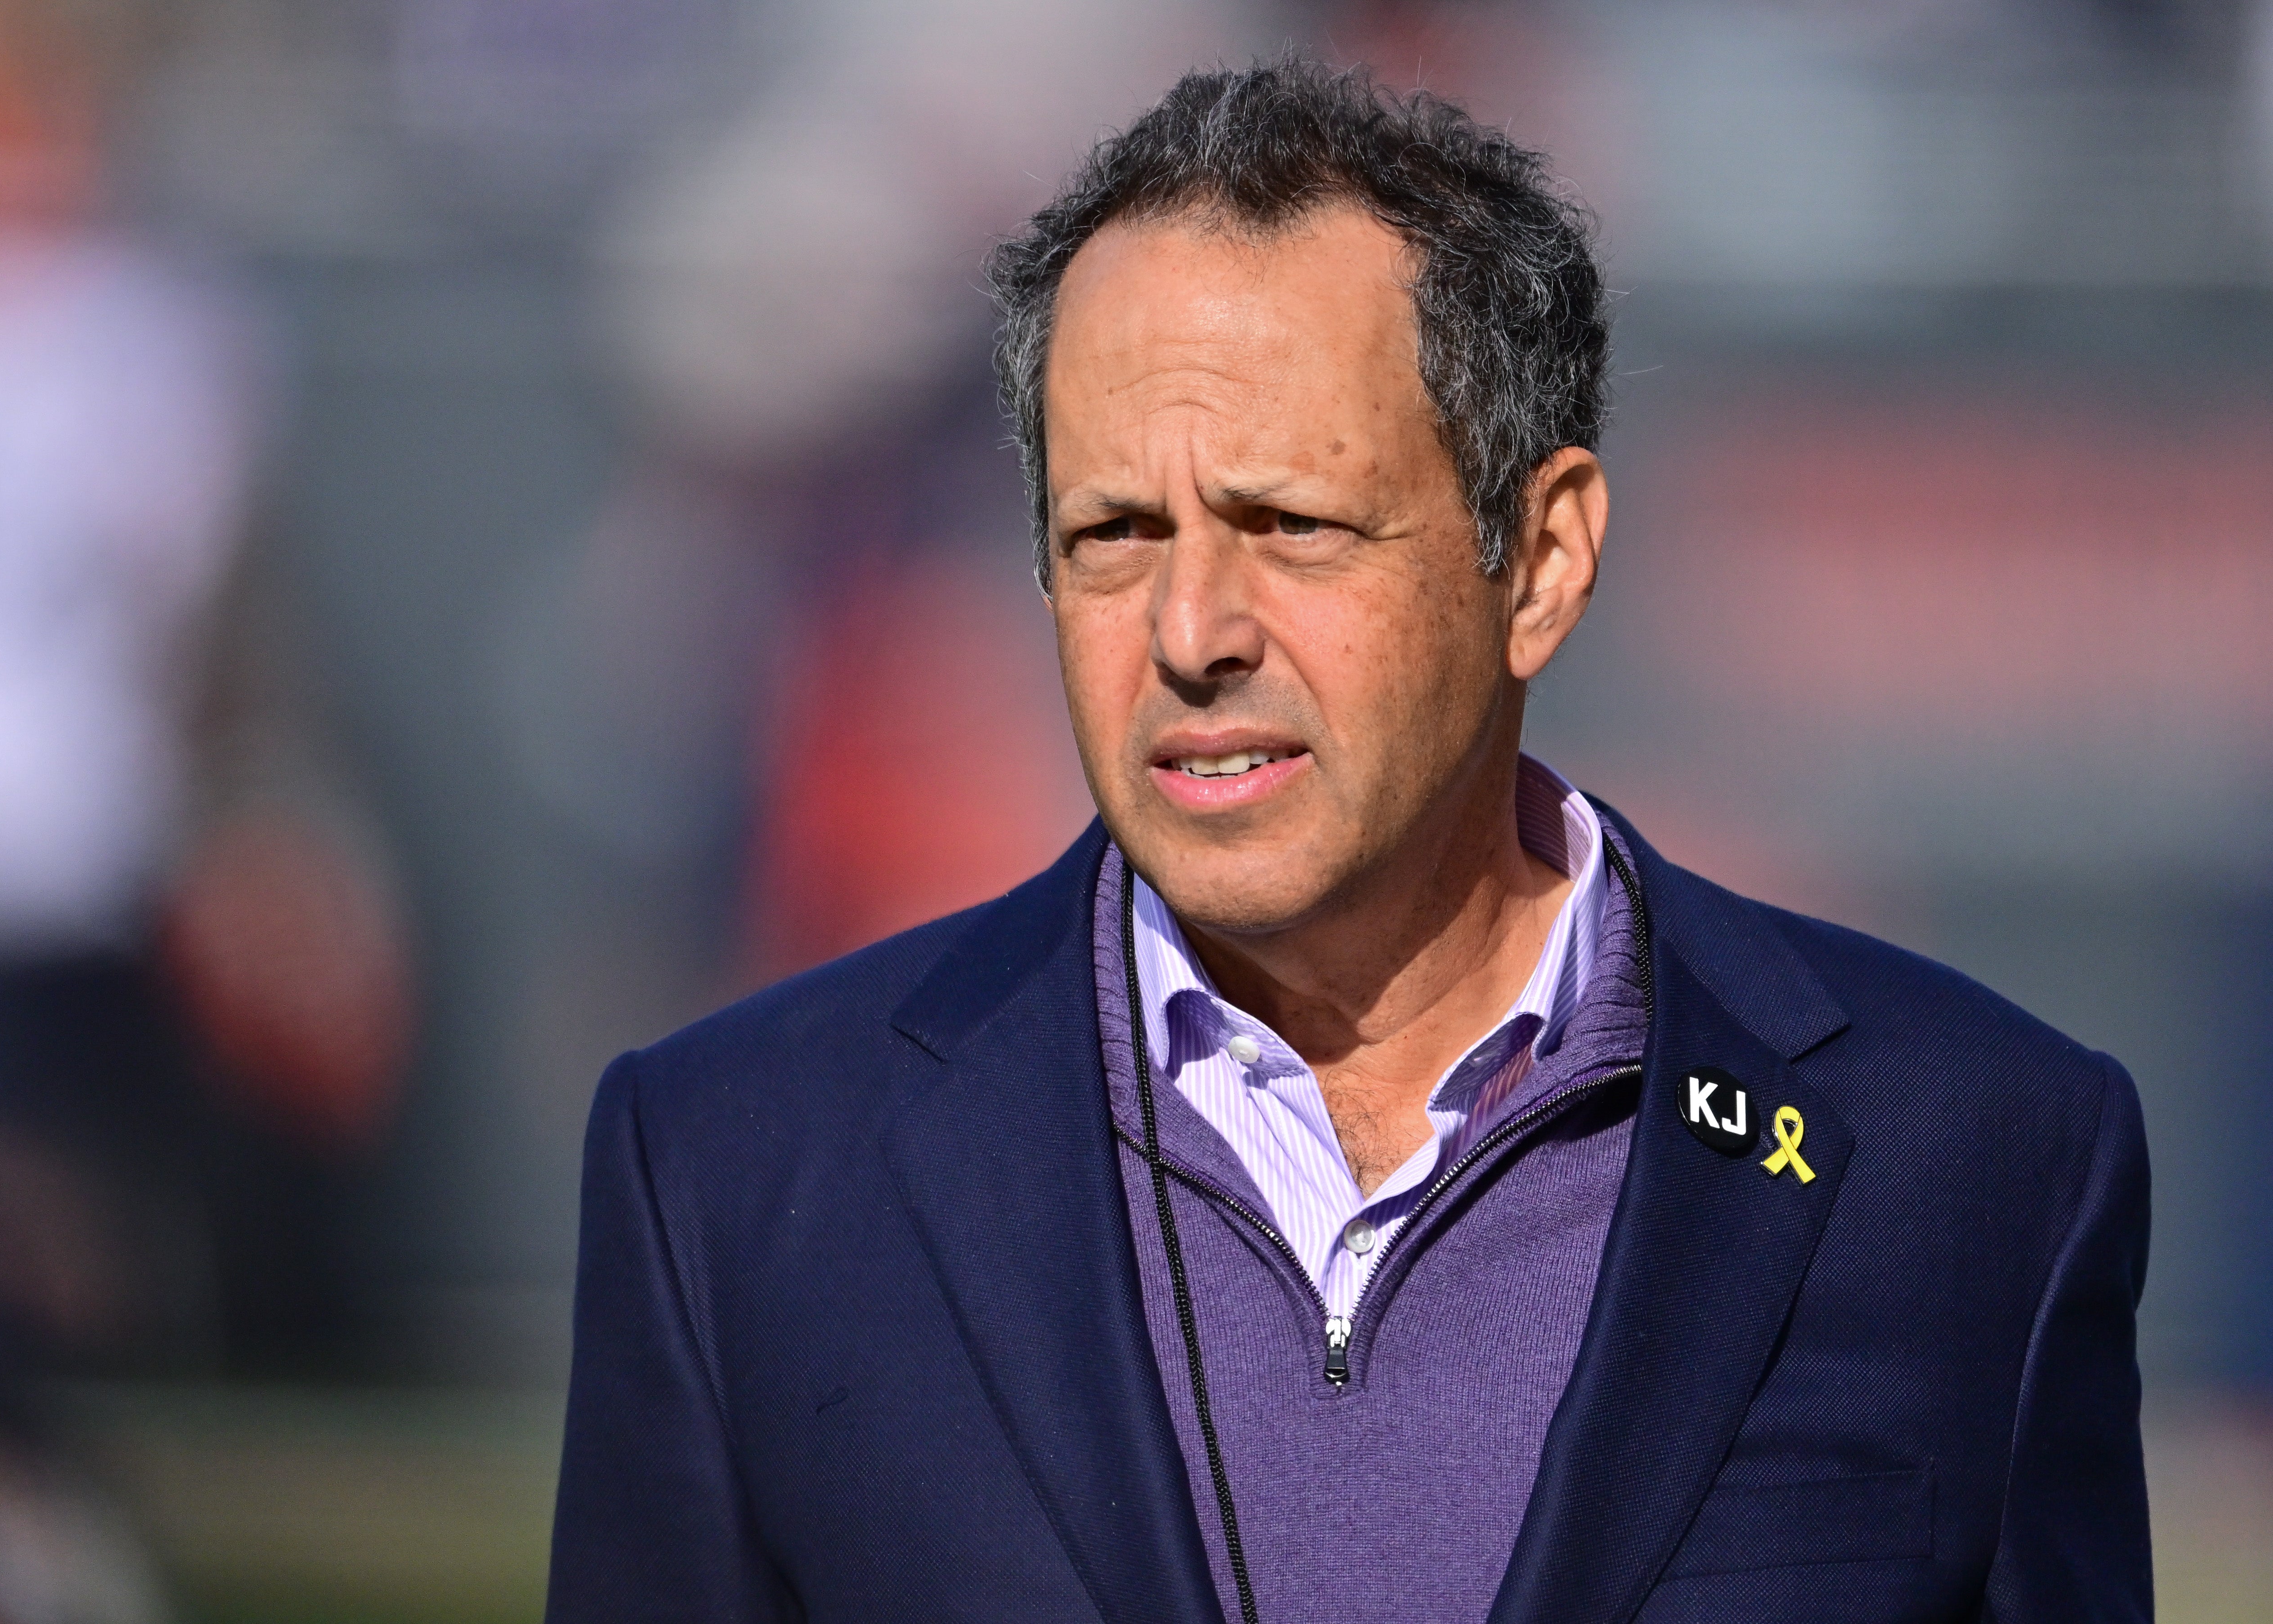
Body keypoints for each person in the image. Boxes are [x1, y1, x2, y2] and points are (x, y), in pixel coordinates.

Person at [547, 58, 2150, 1624]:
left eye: (1292, 528)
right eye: (1112, 534)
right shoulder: (739, 1173)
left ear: (1538, 560)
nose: (1189, 631)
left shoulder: (1974, 1160)